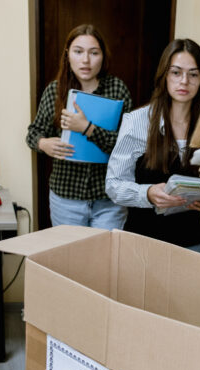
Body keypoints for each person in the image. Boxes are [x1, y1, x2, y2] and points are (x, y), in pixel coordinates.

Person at [105, 39, 200, 250]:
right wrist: (147, 194)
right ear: (164, 76)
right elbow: (113, 185)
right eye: (176, 72)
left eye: (193, 74)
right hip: (142, 243)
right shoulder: (137, 121)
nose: (184, 81)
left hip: (191, 244)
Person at [27, 25, 132, 229]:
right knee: (70, 250)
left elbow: (127, 146)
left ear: (103, 56)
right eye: (78, 52)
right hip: (66, 196)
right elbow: (33, 133)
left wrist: (87, 128)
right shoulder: (54, 90)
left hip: (108, 196)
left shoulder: (117, 89)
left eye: (94, 53)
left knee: (105, 250)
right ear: (68, 55)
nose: (86, 60)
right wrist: (43, 144)